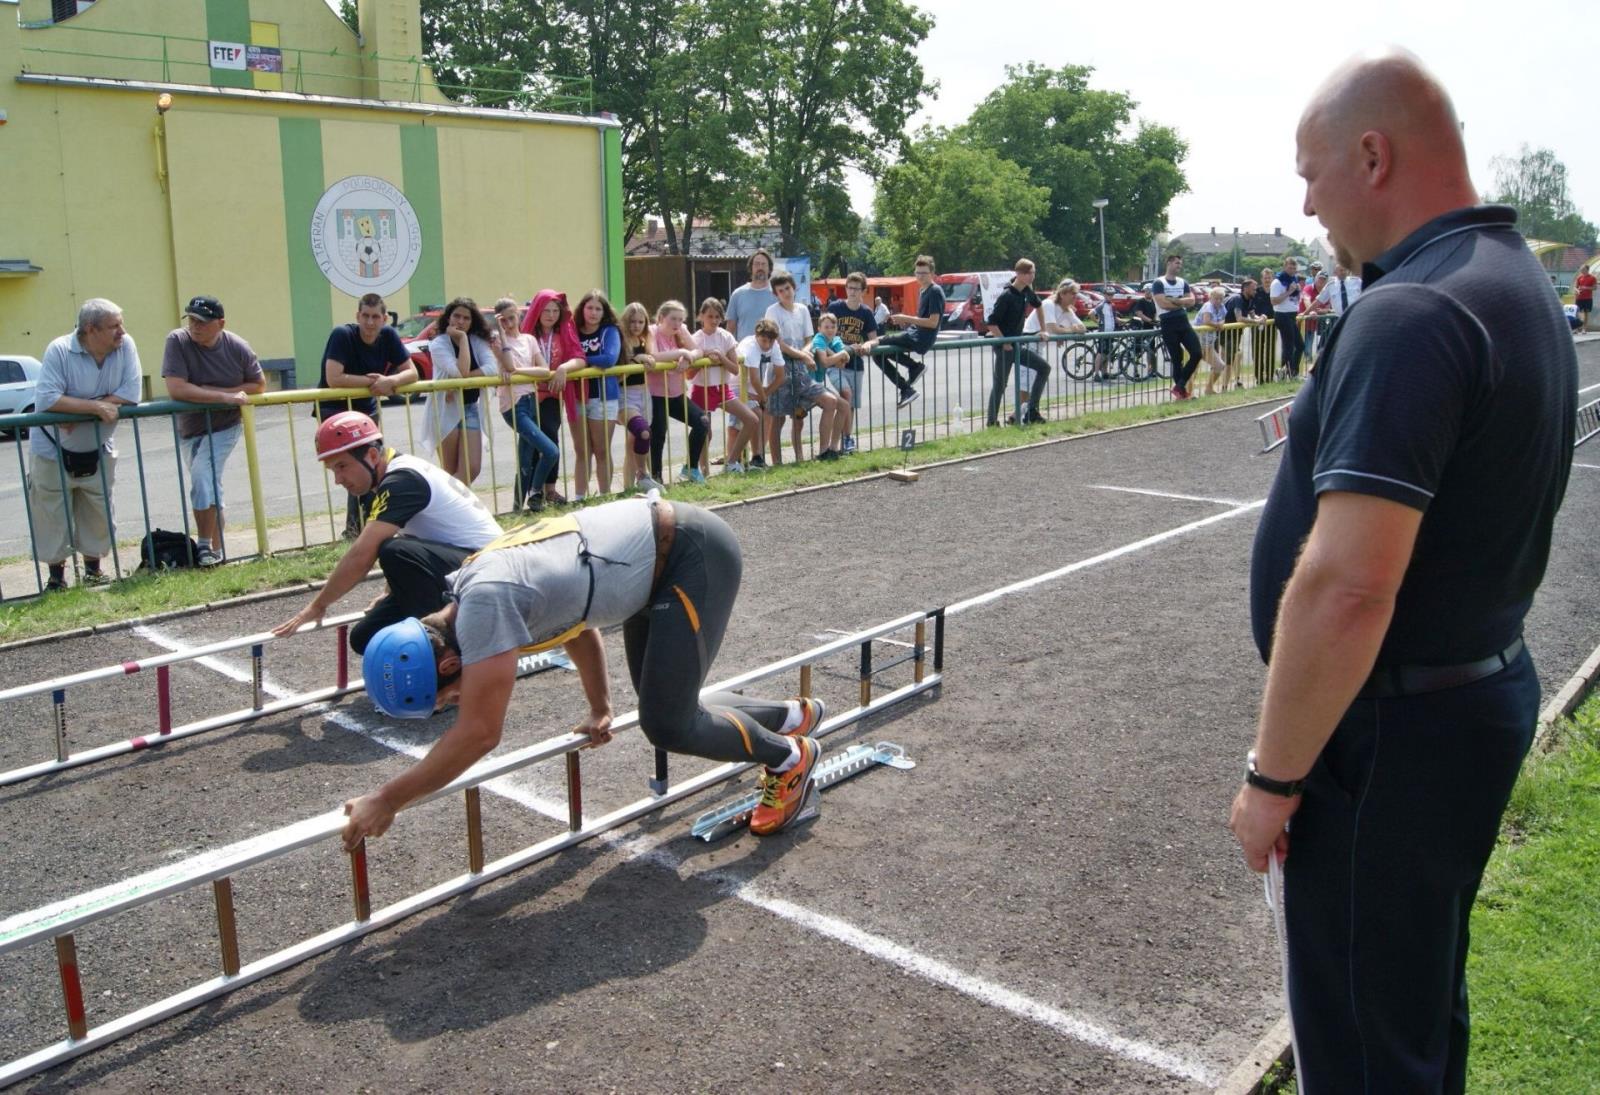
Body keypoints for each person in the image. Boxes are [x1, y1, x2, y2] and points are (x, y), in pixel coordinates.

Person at [1229, 48, 1577, 1092]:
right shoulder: (1507, 280)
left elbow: (1347, 588)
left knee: (1364, 1048)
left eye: (1310, 172)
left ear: (1371, 156)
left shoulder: (1413, 312)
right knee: (1411, 1011)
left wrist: (1271, 777)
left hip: (1387, 736)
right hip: (1466, 694)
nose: (1304, 202)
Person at [342, 497, 828, 849]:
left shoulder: (484, 606)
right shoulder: (472, 592)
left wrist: (387, 799)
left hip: (687, 555)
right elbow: (575, 628)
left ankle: (789, 758)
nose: (453, 705)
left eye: (447, 697)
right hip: (656, 560)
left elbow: (479, 734)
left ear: (449, 664)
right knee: (666, 704)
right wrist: (600, 708)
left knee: (668, 723)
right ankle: (790, 717)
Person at [273, 411, 502, 654]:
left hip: (488, 570)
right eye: (332, 470)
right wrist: (392, 590)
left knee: (393, 552)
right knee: (366, 637)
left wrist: (318, 605)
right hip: (460, 566)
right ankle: (431, 646)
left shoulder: (403, 480)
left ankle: (444, 650)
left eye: (342, 466)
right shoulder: (392, 477)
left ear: (372, 455)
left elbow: (363, 554)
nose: (338, 480)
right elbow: (416, 537)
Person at [28, 298, 142, 591]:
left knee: (99, 509)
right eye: (114, 326)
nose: (122, 331)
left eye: (121, 323)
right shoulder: (59, 350)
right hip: (52, 450)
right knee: (52, 513)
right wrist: (96, 408)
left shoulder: (125, 346)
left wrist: (81, 408)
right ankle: (56, 578)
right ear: (90, 329)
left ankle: (94, 570)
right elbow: (47, 400)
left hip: (99, 448)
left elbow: (131, 392)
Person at [160, 295, 266, 566]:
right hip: (189, 427)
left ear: (220, 324)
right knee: (207, 484)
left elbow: (258, 384)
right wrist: (223, 397)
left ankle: (205, 546)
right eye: (192, 320)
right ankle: (217, 552)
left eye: (203, 322)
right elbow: (176, 388)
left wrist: (220, 395)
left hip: (224, 426)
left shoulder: (237, 346)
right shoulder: (177, 341)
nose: (195, 327)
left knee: (202, 476)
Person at [317, 294, 418, 537]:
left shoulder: (389, 336)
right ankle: (355, 530)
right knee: (353, 469)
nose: (370, 323)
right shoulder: (342, 335)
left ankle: (366, 526)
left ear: (384, 319)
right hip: (336, 412)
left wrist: (391, 380)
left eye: (375, 317)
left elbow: (412, 373)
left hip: (366, 412)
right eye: (365, 316)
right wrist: (374, 384)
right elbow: (334, 378)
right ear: (357, 316)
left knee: (373, 466)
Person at [490, 297, 563, 513]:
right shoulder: (498, 342)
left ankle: (516, 509)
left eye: (512, 318)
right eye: (504, 320)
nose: (509, 323)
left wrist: (520, 373)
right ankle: (535, 492)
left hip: (530, 400)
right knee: (551, 451)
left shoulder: (529, 340)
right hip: (513, 404)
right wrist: (502, 335)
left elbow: (544, 370)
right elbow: (509, 364)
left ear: (519, 316)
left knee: (525, 460)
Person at [765, 274, 842, 461]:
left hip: (801, 369)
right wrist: (803, 355)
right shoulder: (772, 311)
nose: (785, 293)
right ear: (776, 294)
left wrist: (805, 353)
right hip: (780, 368)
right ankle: (777, 461)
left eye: (787, 289)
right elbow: (779, 344)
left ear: (794, 288)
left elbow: (809, 339)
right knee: (778, 418)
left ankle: (820, 452)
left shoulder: (802, 310)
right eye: (780, 291)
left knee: (816, 407)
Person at [520, 290, 586, 506]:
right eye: (546, 310)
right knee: (530, 443)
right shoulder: (526, 335)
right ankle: (527, 493)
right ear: (537, 311)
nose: (550, 315)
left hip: (552, 396)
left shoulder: (564, 332)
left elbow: (580, 359)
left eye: (555, 310)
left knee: (551, 438)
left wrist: (563, 369)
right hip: (527, 395)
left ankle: (550, 490)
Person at [423, 297, 497, 485]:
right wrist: (462, 339)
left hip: (470, 407)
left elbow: (492, 368)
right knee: (450, 469)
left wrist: (458, 384)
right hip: (443, 409)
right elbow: (460, 372)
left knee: (472, 468)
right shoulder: (439, 343)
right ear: (448, 318)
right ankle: (449, 508)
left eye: (466, 318)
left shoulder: (477, 341)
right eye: (457, 316)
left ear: (473, 322)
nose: (461, 321)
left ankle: (441, 501)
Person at [860, 255, 942, 408]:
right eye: (917, 272)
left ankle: (911, 377)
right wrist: (908, 322)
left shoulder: (935, 291)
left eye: (924, 273)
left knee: (878, 345)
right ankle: (911, 376)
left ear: (932, 273)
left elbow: (933, 322)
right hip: (915, 333)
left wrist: (907, 318)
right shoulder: (923, 291)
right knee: (878, 353)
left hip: (921, 338)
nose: (920, 276)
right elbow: (923, 320)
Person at [691, 297, 759, 475]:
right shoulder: (695, 339)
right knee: (705, 431)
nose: (713, 320)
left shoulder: (726, 336)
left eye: (717, 317)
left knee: (752, 419)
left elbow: (735, 369)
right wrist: (703, 357)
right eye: (710, 316)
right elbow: (690, 373)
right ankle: (703, 471)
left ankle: (731, 461)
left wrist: (721, 357)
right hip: (702, 389)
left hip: (722, 389)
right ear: (701, 316)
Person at [980, 259, 1052, 427]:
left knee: (1044, 368)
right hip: (1005, 347)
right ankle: (991, 421)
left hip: (1018, 345)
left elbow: (1039, 306)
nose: (1032, 276)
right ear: (1019, 274)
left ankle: (1031, 411)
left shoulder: (1027, 291)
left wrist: (1043, 329)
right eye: (1028, 273)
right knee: (1000, 384)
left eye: (1033, 273)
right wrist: (1004, 341)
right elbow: (991, 322)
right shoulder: (1007, 296)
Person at [648, 300, 711, 485]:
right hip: (656, 393)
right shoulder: (652, 331)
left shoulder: (681, 330)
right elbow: (653, 356)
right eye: (672, 319)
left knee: (702, 421)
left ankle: (690, 469)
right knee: (659, 432)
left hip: (676, 393)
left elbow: (698, 350)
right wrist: (681, 352)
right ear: (661, 318)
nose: (677, 323)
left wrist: (689, 356)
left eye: (680, 319)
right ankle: (656, 476)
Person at [571, 289, 623, 499]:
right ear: (582, 309)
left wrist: (580, 360)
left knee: (601, 450)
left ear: (604, 312)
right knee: (582, 450)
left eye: (598, 308)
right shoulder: (572, 330)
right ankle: (579, 498)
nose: (593, 312)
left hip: (603, 397)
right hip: (577, 396)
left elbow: (609, 358)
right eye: (589, 307)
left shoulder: (609, 331)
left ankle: (604, 495)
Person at [826, 272, 879, 452]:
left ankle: (845, 440)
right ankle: (843, 440)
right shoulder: (835, 307)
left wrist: (866, 345)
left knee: (851, 404)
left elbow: (874, 338)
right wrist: (837, 353)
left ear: (863, 291)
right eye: (850, 287)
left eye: (857, 288)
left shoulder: (866, 312)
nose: (852, 292)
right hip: (836, 363)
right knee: (846, 396)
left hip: (856, 365)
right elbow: (824, 334)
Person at [616, 303, 662, 490]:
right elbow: (618, 376)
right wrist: (635, 361)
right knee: (642, 432)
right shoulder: (621, 343)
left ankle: (629, 487)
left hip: (644, 393)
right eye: (632, 321)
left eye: (640, 322)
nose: (636, 325)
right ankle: (642, 475)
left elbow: (654, 358)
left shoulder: (644, 341)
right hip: (625, 394)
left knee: (633, 443)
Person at [1150, 254, 1202, 400]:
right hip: (1168, 323)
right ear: (1169, 263)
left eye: (1180, 264)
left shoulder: (1182, 282)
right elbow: (1162, 304)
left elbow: (1192, 301)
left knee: (1197, 353)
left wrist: (1174, 301)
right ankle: (1181, 392)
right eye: (1177, 263)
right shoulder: (1158, 283)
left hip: (1183, 321)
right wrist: (1180, 302)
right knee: (1177, 358)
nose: (1179, 266)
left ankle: (1179, 385)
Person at [809, 312, 853, 454]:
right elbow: (825, 361)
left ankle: (833, 448)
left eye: (832, 327)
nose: (829, 329)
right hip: (807, 382)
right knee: (831, 403)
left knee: (844, 406)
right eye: (826, 326)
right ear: (819, 328)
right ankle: (823, 450)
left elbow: (842, 365)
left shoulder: (834, 340)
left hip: (818, 383)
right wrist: (839, 355)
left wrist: (835, 354)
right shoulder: (819, 339)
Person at [1269, 257, 1305, 379]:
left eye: (1294, 268)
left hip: (1292, 315)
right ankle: (1285, 372)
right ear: (1284, 267)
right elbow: (1274, 301)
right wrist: (1289, 291)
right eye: (1290, 267)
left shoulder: (1294, 279)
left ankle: (1291, 371)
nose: (1292, 270)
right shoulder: (1277, 282)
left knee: (1300, 345)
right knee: (1288, 346)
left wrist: (1296, 291)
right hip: (1282, 315)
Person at [1195, 286, 1233, 395]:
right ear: (1211, 297)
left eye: (1221, 298)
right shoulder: (1208, 306)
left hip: (1209, 343)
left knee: (1220, 365)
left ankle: (1209, 389)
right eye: (1216, 298)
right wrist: (1218, 325)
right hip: (1199, 341)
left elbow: (1223, 318)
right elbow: (1206, 320)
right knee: (1194, 368)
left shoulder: (1221, 307)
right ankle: (1188, 393)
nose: (1219, 301)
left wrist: (1220, 323)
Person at [1574, 263, 1595, 334]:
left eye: (1583, 269)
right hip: (1579, 298)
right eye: (1581, 269)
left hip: (1587, 298)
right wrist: (1577, 290)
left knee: (1586, 313)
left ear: (1587, 270)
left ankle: (1584, 329)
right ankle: (1576, 328)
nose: (1581, 270)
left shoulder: (1592, 278)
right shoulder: (1579, 278)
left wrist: (1586, 288)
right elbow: (1575, 287)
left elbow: (1595, 288)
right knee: (1577, 313)